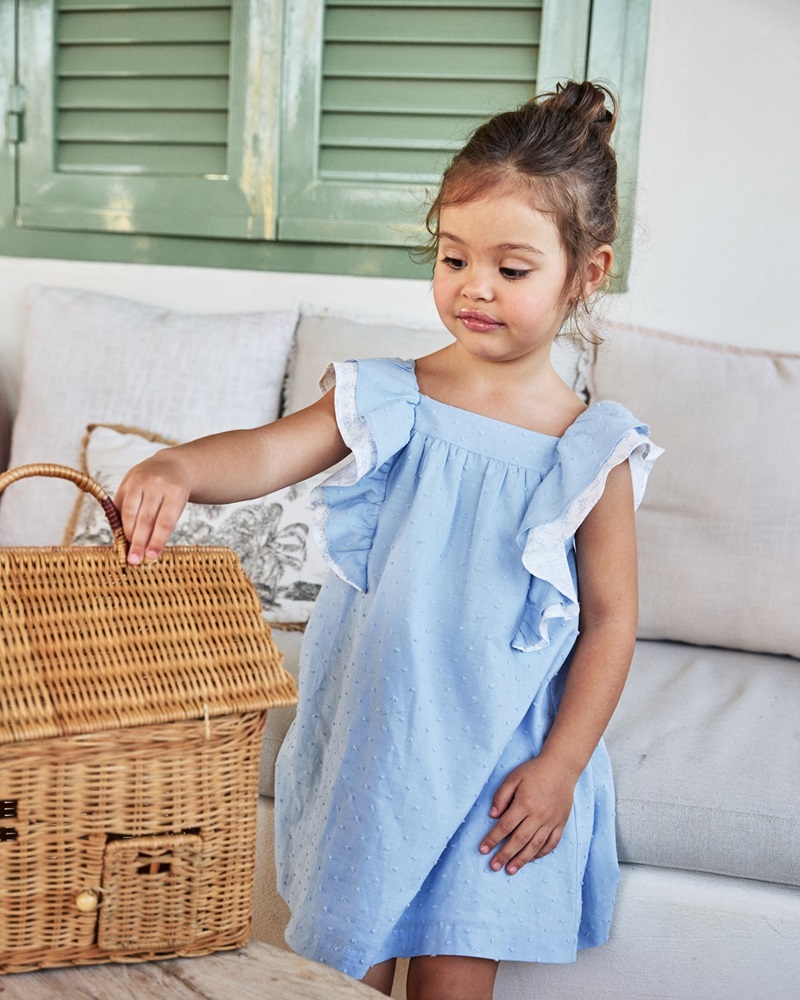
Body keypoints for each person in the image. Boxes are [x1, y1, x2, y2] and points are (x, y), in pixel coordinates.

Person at [116, 80, 661, 1000]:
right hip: (381, 732)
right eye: (453, 258)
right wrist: (179, 469)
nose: (474, 287)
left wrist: (560, 766)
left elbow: (611, 621)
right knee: (341, 971)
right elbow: (266, 451)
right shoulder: (390, 395)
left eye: (512, 269)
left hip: (502, 757)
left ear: (587, 273)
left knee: (452, 979)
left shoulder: (590, 448)